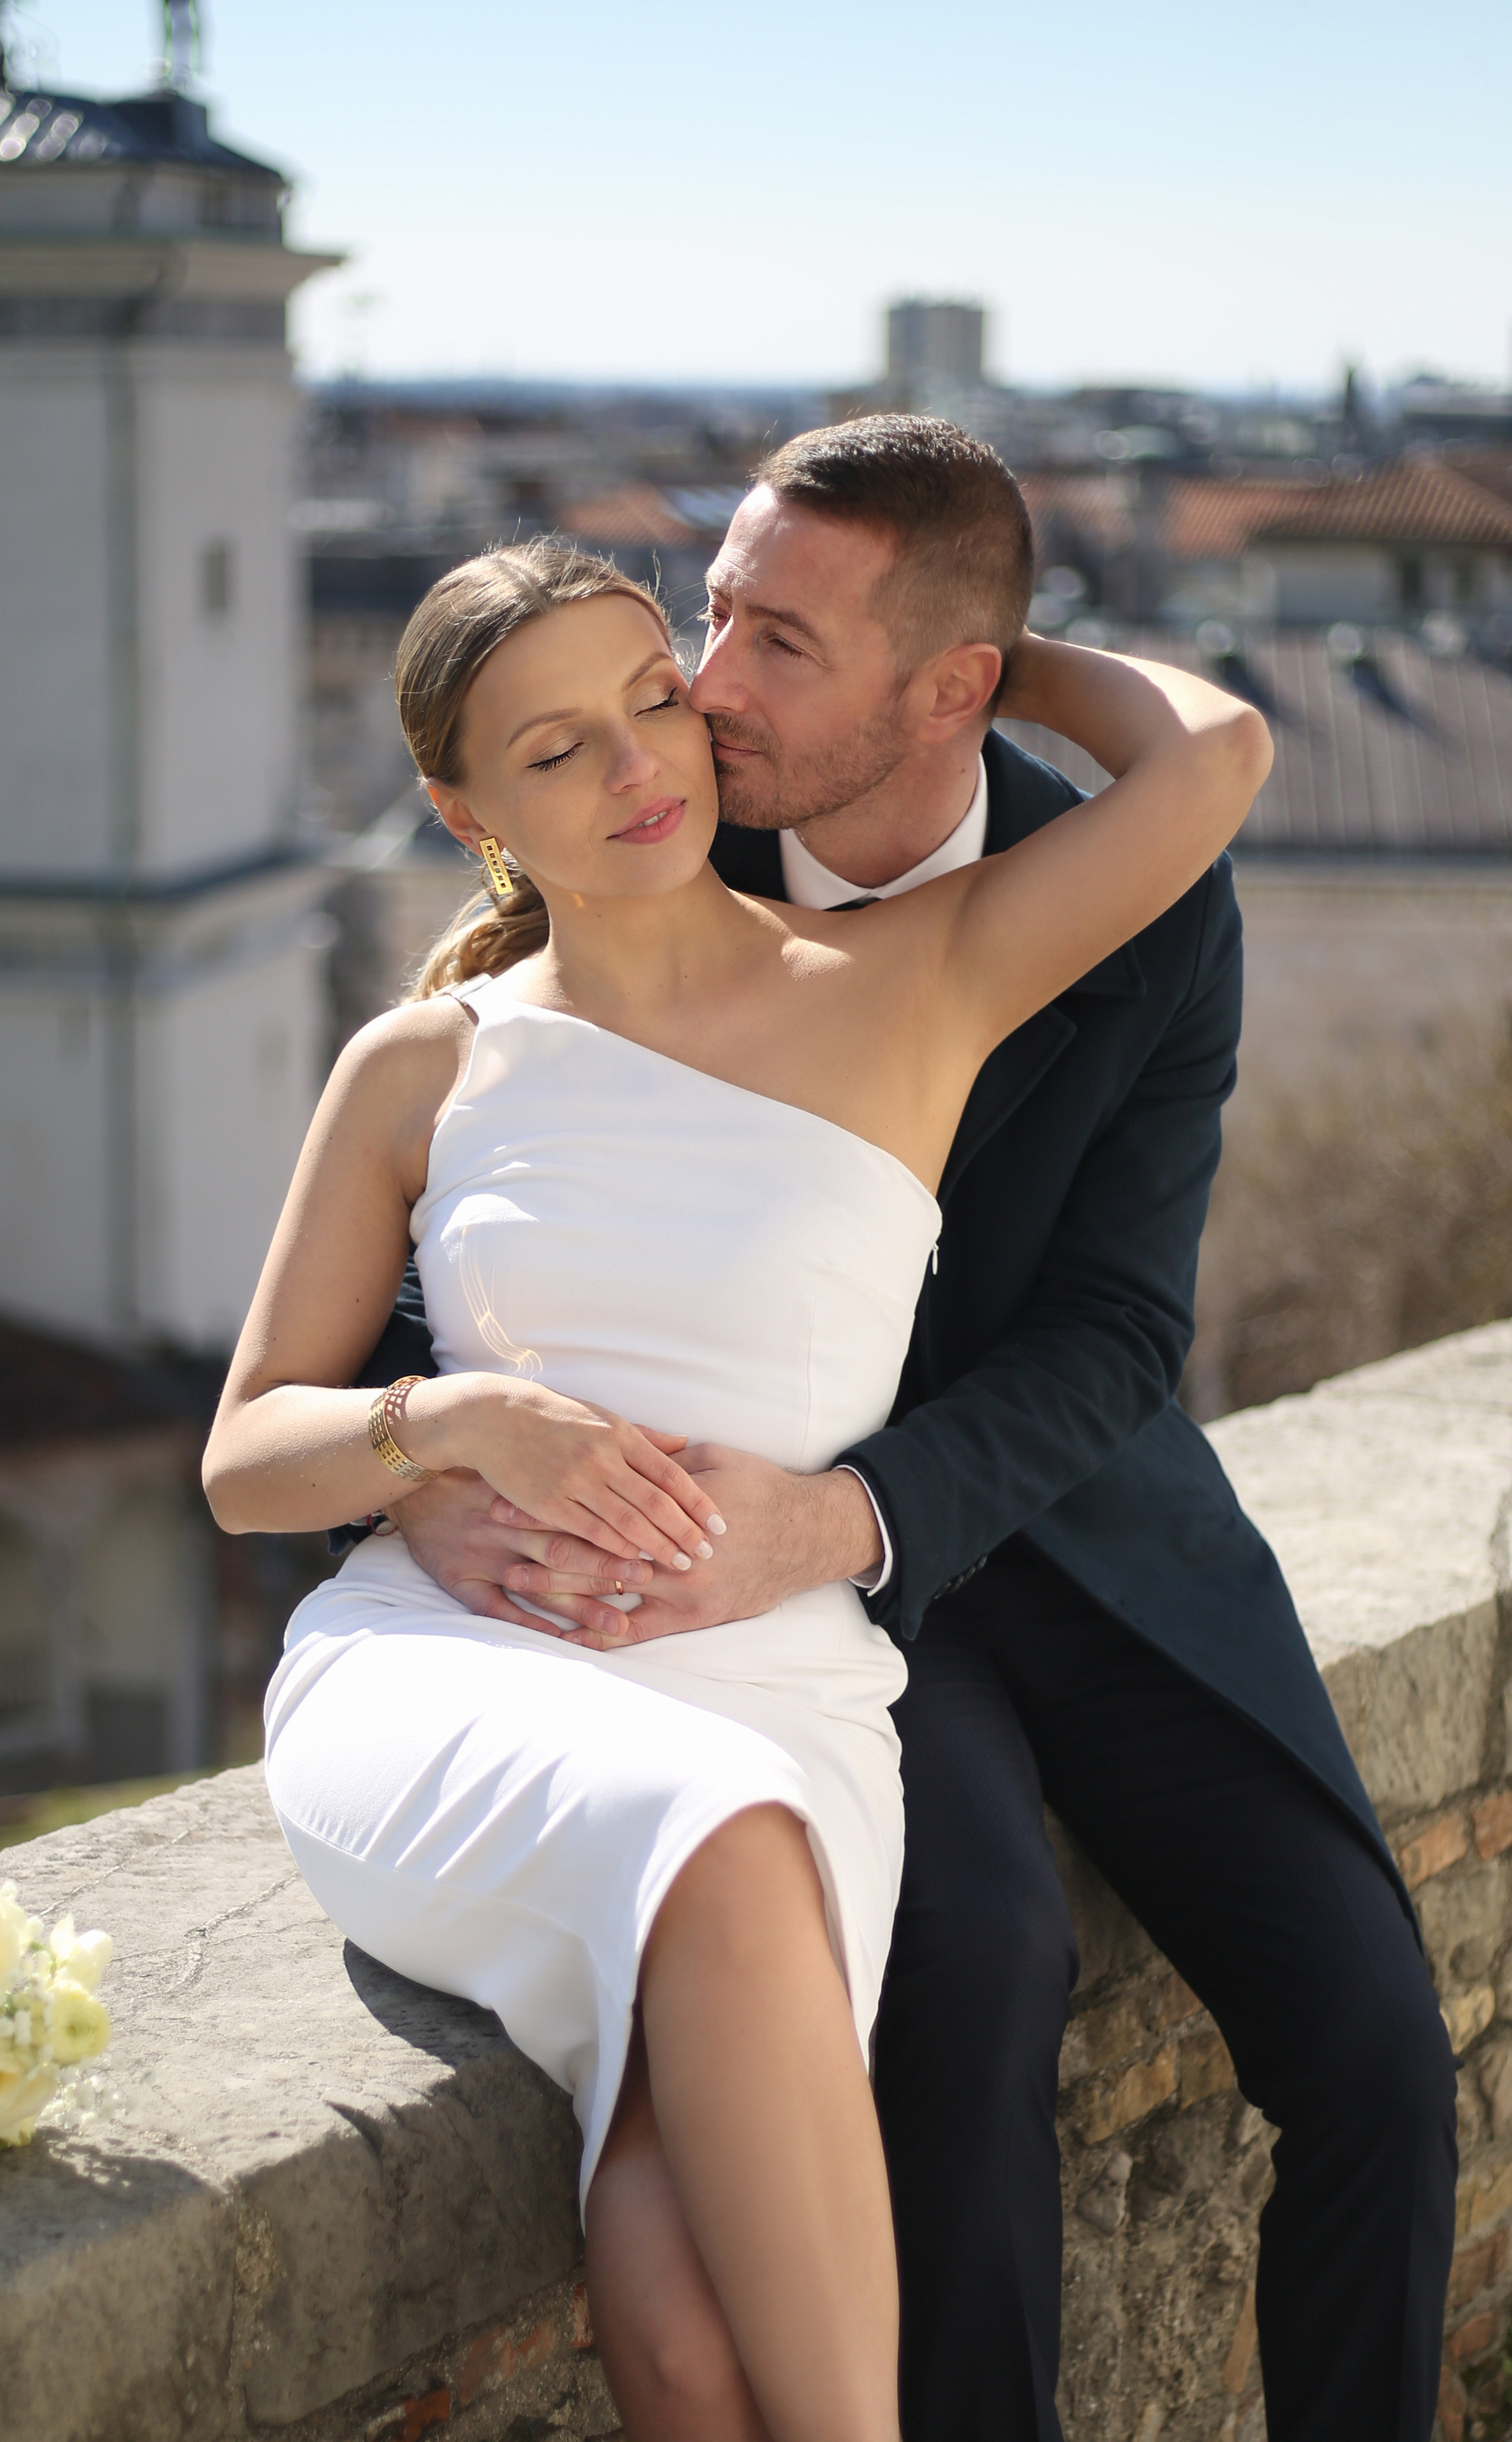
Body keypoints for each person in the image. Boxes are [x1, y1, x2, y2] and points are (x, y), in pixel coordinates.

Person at [349, 417, 1459, 2442]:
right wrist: (434, 1477)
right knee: (973, 1987)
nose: (700, 688)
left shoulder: (1131, 897)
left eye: (778, 640)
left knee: (1383, 2046)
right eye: (714, 614)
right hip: (781, 1619)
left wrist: (853, 1512)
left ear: (950, 690)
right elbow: (485, 1217)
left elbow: (1123, 1322)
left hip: (1063, 1532)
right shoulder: (652, 835)